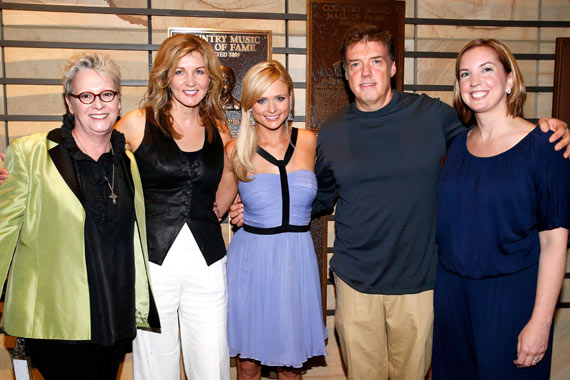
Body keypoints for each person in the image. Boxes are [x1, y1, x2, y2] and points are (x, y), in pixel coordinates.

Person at [225, 24, 570, 380]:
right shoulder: (331, 131)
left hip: (420, 285)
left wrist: (542, 129)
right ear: (346, 75)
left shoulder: (432, 115)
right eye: (355, 64)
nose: (366, 72)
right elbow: (317, 195)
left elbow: (490, 137)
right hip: (355, 283)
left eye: (376, 61)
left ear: (393, 68)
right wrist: (257, 210)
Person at [0, 52, 159, 380]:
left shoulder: (127, 161)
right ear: (69, 103)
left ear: (118, 101)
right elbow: (2, 229)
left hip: (113, 313)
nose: (98, 104)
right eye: (85, 95)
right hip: (54, 316)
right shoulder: (30, 153)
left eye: (107, 94)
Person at [433, 39, 570, 379]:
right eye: (465, 73)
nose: (474, 81)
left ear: (510, 80)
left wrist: (541, 322)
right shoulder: (457, 148)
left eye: (487, 69)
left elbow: (555, 243)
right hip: (453, 297)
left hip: (511, 299)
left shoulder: (545, 146)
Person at [115, 33, 234, 380]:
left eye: (199, 71)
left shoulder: (219, 128)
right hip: (154, 262)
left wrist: (231, 204)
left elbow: (227, 184)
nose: (190, 81)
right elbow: (93, 159)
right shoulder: (138, 122)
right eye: (180, 71)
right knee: (156, 365)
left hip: (208, 260)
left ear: (210, 77)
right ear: (165, 76)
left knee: (212, 363)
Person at [220, 60, 327, 380]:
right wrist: (232, 213)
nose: (271, 108)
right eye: (261, 100)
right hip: (251, 263)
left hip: (296, 261)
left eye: (279, 98)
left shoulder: (312, 142)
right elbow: (215, 206)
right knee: (249, 366)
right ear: (249, 105)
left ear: (291, 99)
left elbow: (338, 186)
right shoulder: (234, 151)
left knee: (290, 366)